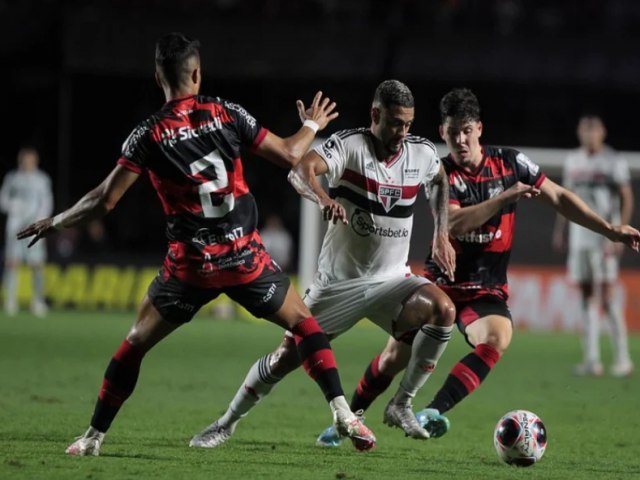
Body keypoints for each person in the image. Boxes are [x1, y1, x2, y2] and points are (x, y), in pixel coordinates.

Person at [17, 32, 375, 456]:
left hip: (189, 268)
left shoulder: (147, 134)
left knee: (134, 343)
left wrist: (56, 221)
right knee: (305, 325)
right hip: (245, 258)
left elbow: (104, 201)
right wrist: (312, 126)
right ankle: (341, 411)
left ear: (158, 77)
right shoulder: (225, 112)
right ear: (197, 73)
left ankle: (93, 436)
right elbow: (289, 154)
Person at [310, 88, 640, 448]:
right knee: (393, 357)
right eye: (453, 132)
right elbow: (452, 224)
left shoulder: (511, 164)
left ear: (480, 129)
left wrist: (609, 230)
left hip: (485, 288)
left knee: (497, 337)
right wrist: (504, 198)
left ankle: (432, 411)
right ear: (442, 133)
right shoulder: (439, 172)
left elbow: (559, 197)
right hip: (440, 286)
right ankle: (349, 419)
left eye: (467, 131)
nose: (461, 140)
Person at [189, 79, 457, 449]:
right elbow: (300, 171)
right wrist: (321, 197)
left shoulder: (421, 153)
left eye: (408, 123)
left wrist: (441, 232)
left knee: (443, 310)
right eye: (395, 122)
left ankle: (401, 403)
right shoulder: (349, 146)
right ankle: (226, 422)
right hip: (339, 284)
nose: (402, 131)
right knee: (285, 359)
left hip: (393, 280)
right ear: (375, 114)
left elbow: (440, 181)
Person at [552, 115, 635, 377]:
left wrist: (621, 228)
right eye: (584, 130)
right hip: (579, 237)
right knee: (586, 295)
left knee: (607, 295)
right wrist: (561, 230)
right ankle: (591, 359)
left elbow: (626, 196)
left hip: (604, 237)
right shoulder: (573, 160)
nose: (588, 135)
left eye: (593, 130)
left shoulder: (613, 160)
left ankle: (623, 359)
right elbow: (564, 198)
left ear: (602, 132)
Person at [0, 146, 53, 317]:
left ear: (35, 161)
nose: (27, 162)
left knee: (36, 264)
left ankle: (37, 301)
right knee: (12, 263)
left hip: (35, 227)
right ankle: (11, 300)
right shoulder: (12, 178)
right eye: (24, 159)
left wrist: (41, 220)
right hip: (15, 227)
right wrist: (13, 207)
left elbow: (47, 202)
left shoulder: (42, 179)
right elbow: (3, 199)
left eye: (30, 159)